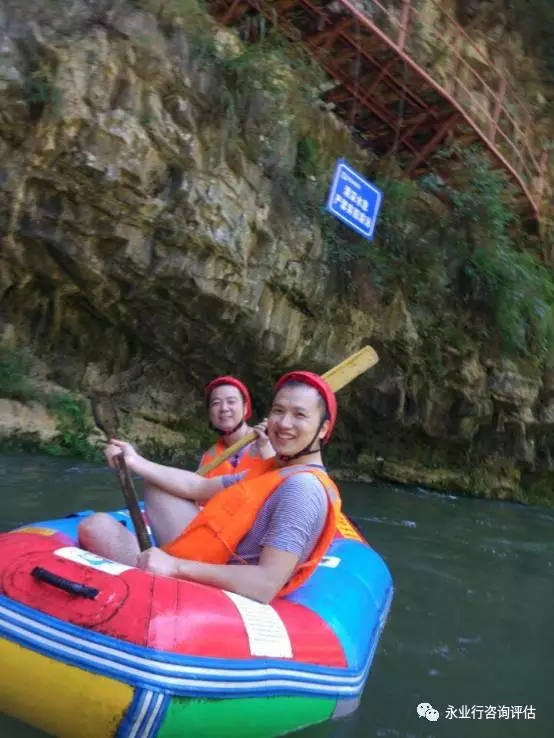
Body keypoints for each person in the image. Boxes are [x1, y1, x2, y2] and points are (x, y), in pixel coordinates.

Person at [78, 372, 343, 603]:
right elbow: (199, 486)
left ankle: (148, 574)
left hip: (221, 587)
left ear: (323, 429)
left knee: (96, 527)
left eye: (299, 415)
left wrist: (175, 566)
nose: (284, 423)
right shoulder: (274, 469)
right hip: (216, 556)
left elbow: (264, 585)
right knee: (153, 488)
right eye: (278, 411)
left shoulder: (301, 488)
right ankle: (151, 564)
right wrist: (134, 460)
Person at [199, 375, 275, 476]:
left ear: (245, 408)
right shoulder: (208, 457)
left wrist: (265, 448)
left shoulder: (268, 441)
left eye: (231, 401)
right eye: (216, 403)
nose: (224, 408)